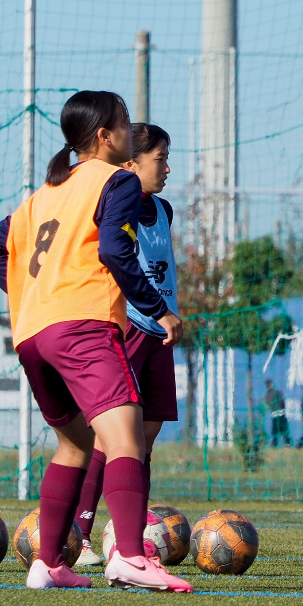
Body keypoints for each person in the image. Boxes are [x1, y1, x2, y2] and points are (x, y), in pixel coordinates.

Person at [0, 91, 189, 592]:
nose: (130, 130)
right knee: (127, 439)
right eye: (125, 123)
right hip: (82, 328)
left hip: (33, 334)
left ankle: (48, 564)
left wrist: (35, 295)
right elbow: (115, 249)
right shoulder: (116, 180)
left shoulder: (46, 191)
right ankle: (130, 557)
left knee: (74, 444)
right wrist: (158, 308)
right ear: (105, 136)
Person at [70, 123, 181, 567]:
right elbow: (112, 256)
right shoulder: (117, 205)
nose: (167, 168)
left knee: (147, 435)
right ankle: (78, 534)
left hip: (159, 332)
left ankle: (127, 533)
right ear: (131, 163)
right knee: (111, 435)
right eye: (160, 159)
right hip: (128, 326)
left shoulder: (164, 210)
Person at [263, 379, 289, 446]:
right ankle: (287, 443)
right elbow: (282, 402)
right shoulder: (277, 392)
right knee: (284, 430)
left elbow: (267, 404)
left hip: (274, 414)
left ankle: (274, 444)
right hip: (280, 413)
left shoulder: (267, 395)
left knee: (275, 431)